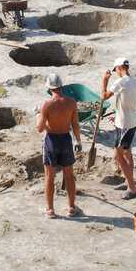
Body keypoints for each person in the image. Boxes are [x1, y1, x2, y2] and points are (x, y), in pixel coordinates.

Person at [38, 74, 83, 218]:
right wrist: (78, 141)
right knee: (69, 175)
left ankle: (50, 210)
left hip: (51, 140)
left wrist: (38, 117)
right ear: (61, 86)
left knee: (49, 176)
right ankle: (71, 208)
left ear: (49, 88)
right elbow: (75, 125)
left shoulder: (47, 104)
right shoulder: (71, 102)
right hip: (65, 139)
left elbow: (39, 128)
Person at [100, 58, 136, 200]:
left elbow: (104, 96)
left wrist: (104, 80)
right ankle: (128, 181)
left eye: (115, 69)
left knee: (118, 155)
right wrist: (118, 116)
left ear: (119, 67)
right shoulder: (133, 81)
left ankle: (132, 188)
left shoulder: (121, 82)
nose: (115, 72)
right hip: (129, 121)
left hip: (124, 125)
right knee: (127, 153)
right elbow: (133, 103)